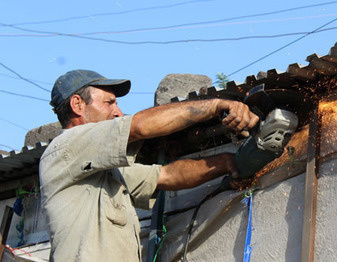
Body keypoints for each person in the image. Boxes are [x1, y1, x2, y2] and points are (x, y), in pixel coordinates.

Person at [39, 69, 259, 261]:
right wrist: (217, 106)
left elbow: (166, 176)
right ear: (77, 104)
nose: (118, 112)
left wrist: (226, 162)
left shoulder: (105, 171)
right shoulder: (66, 148)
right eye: (109, 102)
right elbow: (140, 126)